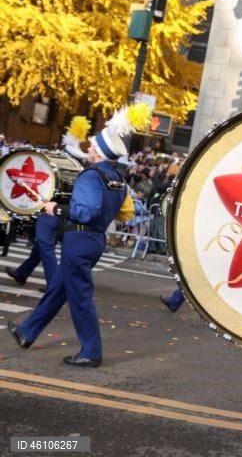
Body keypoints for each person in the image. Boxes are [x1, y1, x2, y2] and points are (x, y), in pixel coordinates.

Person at [6, 105, 148, 367]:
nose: (90, 149)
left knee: (80, 298)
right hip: (95, 240)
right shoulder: (117, 179)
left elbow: (86, 211)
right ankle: (28, 332)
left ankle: (91, 351)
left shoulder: (91, 176)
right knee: (58, 289)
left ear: (99, 153)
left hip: (79, 240)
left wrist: (55, 208)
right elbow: (123, 212)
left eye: (93, 147)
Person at [4, 116, 91, 293]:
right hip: (63, 210)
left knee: (44, 243)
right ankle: (23, 272)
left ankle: (54, 284)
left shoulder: (66, 167)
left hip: (52, 209)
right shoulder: (81, 168)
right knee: (41, 244)